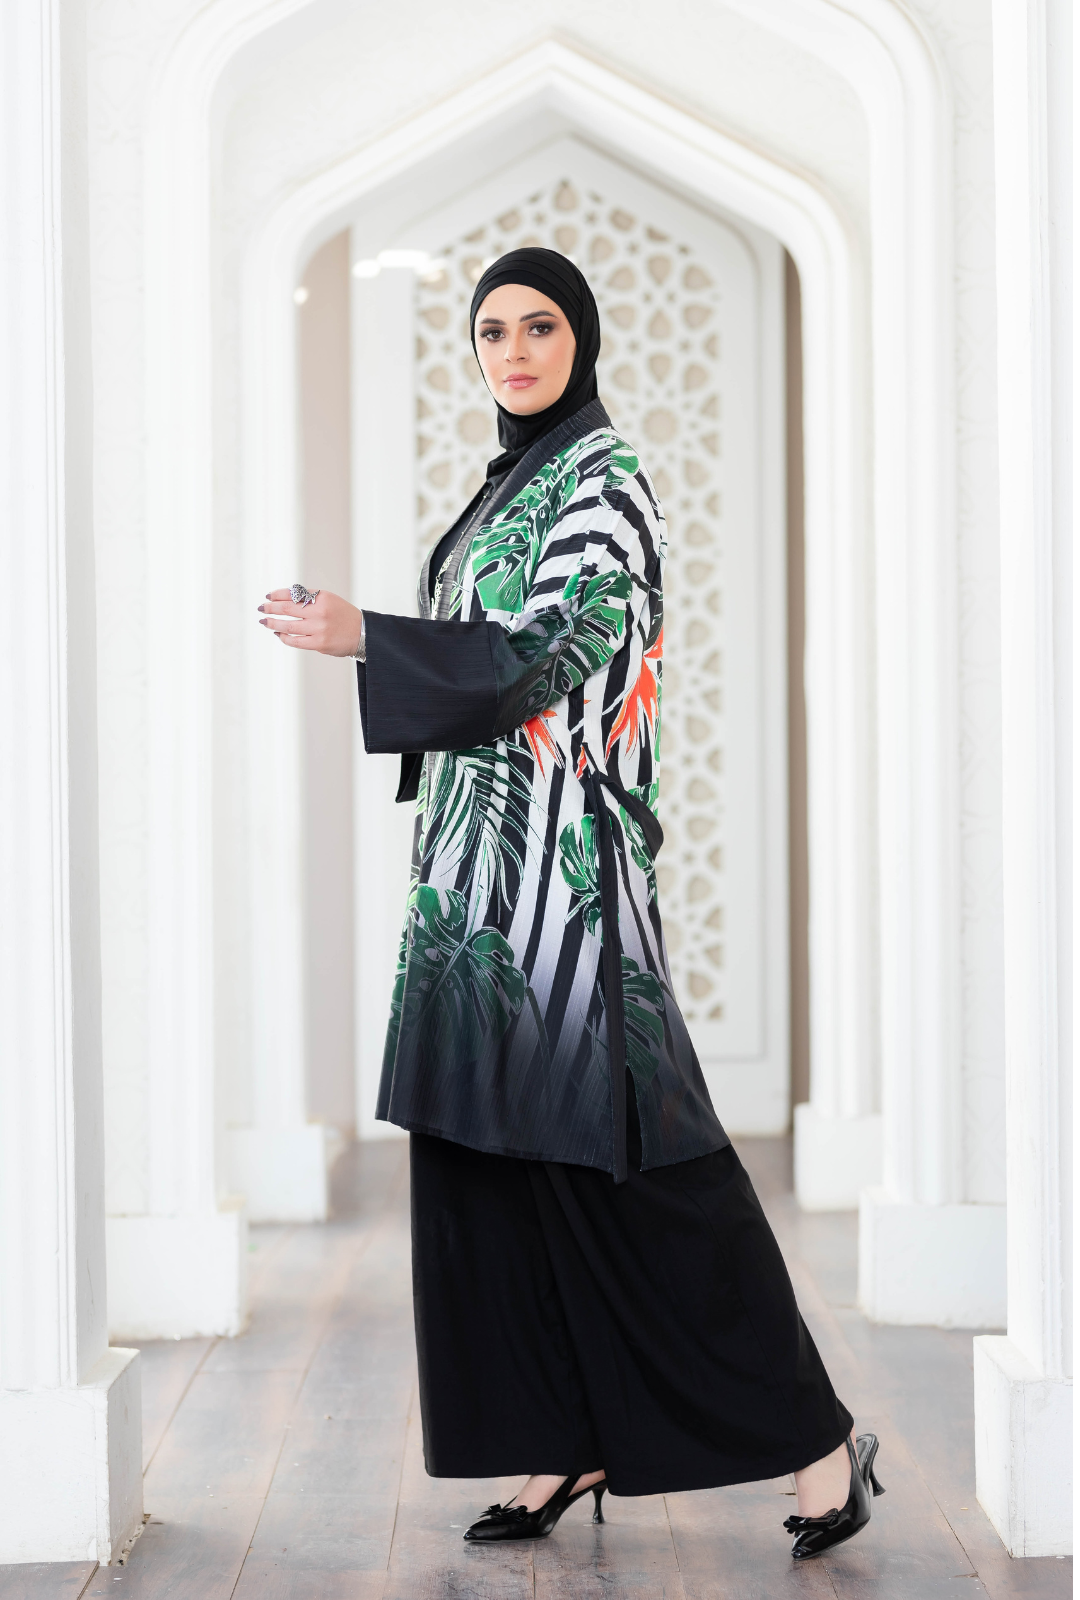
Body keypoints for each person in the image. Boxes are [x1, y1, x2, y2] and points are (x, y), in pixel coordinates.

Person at [257, 246, 883, 1560]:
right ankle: (558, 1439)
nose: (517, 350)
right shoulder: (507, 488)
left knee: (648, 1172)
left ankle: (823, 1444)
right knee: (486, 1166)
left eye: (541, 327)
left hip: (569, 889)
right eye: (493, 331)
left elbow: (548, 656)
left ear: (582, 341)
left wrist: (365, 633)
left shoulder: (606, 487)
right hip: (477, 886)